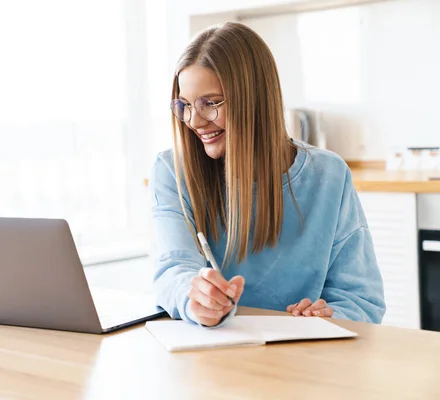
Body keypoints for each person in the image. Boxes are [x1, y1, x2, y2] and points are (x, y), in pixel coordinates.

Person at [149, 22, 386, 327]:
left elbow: (362, 299)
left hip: (303, 361)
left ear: (254, 99)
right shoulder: (172, 171)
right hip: (209, 358)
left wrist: (328, 316)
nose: (195, 121)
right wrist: (193, 298)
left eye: (210, 103)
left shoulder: (329, 175)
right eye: (185, 106)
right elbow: (173, 272)